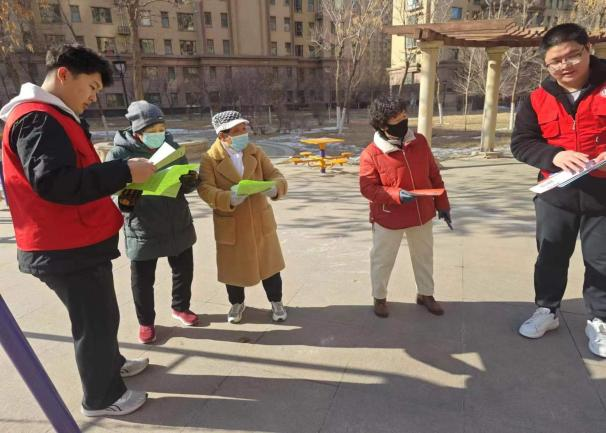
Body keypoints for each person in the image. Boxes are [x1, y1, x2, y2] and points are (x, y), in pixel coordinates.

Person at [0, 44, 156, 416]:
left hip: (75, 241)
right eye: (92, 87)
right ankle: (102, 398)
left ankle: (110, 365)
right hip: (62, 247)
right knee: (94, 321)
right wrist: (123, 171)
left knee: (102, 315)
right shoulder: (38, 118)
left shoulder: (53, 115)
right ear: (64, 74)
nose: (93, 97)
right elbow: (55, 182)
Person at [511, 23, 606, 357]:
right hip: (555, 194)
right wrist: (555, 155)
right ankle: (546, 310)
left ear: (588, 50)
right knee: (551, 255)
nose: (565, 66)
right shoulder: (537, 99)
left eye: (573, 55)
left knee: (601, 260)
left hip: (602, 196)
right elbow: (522, 143)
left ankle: (600, 320)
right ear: (546, 64)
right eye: (555, 61)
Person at [105, 101, 200, 344]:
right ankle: (146, 322)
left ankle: (181, 307)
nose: (159, 134)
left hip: (177, 220)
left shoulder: (173, 149)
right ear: (137, 132)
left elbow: (183, 181)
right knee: (143, 279)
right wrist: (134, 192)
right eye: (152, 131)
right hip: (143, 225)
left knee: (183, 270)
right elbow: (113, 194)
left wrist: (190, 182)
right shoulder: (118, 155)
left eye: (161, 129)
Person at [359, 96, 451, 318]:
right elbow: (368, 188)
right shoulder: (371, 153)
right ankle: (379, 297)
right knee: (382, 260)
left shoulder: (420, 142)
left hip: (421, 213)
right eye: (396, 118)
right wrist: (395, 195)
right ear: (383, 124)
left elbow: (433, 174)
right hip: (389, 218)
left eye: (403, 115)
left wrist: (443, 204)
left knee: (424, 257)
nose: (402, 120)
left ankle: (426, 294)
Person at [198, 111, 288, 324]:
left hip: (260, 220)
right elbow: (205, 188)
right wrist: (227, 198)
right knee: (233, 268)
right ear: (223, 135)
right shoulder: (209, 159)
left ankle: (276, 301)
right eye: (236, 131)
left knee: (270, 266)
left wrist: (274, 188)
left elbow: (275, 175)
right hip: (232, 222)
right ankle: (236, 303)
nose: (243, 134)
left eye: (244, 129)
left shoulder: (255, 152)